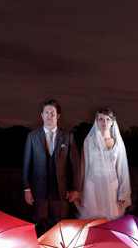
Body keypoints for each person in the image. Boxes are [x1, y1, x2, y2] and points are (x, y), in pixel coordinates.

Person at [23, 99, 80, 235]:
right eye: (47, 112)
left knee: (60, 227)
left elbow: (76, 166)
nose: (49, 115)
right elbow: (27, 165)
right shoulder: (32, 137)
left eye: (52, 113)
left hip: (61, 191)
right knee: (39, 226)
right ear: (42, 115)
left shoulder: (68, 136)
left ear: (58, 115)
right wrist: (27, 189)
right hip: (38, 190)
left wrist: (75, 189)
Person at [76, 107, 131, 220]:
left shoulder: (118, 143)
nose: (104, 122)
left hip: (112, 187)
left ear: (112, 122)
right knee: (92, 221)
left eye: (107, 119)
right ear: (96, 122)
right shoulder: (88, 142)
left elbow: (122, 169)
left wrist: (123, 193)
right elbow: (83, 167)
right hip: (92, 186)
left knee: (112, 221)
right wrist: (80, 190)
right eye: (101, 119)